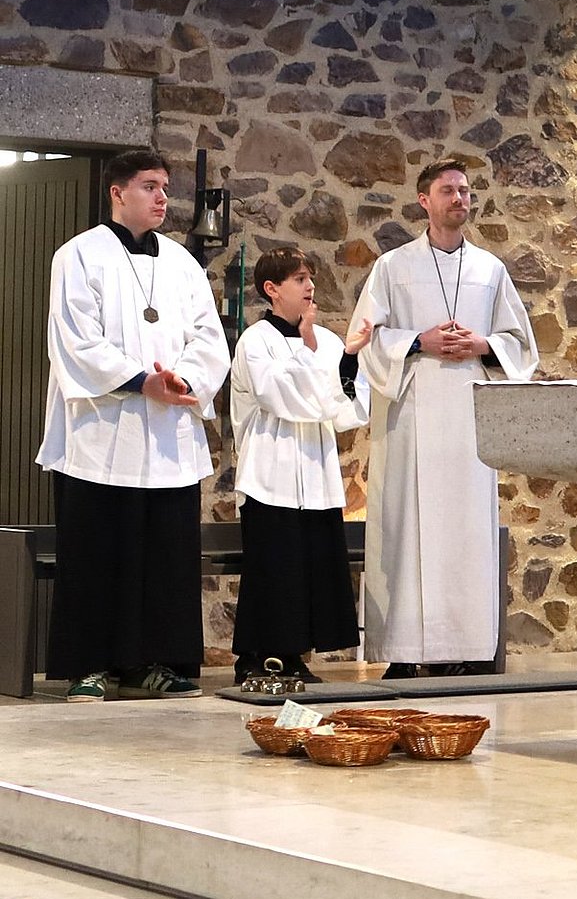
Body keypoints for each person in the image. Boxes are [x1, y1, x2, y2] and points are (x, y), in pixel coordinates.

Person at [37, 149, 230, 701]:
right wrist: (141, 380)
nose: (163, 197)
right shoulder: (78, 256)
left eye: (165, 187)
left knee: (165, 555)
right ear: (117, 193)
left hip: (167, 431)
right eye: (149, 186)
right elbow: (76, 341)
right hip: (101, 431)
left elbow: (207, 336)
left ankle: (158, 662)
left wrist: (184, 379)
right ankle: (90, 664)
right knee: (98, 551)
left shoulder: (182, 262)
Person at [350, 157, 538, 679]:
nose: (460, 199)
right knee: (406, 530)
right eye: (448, 191)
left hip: (466, 419)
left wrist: (482, 343)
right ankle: (407, 654)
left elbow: (522, 345)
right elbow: (365, 340)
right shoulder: (392, 268)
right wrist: (419, 340)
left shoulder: (490, 270)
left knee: (465, 533)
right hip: (410, 419)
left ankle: (467, 647)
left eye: (465, 191)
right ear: (424, 201)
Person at [229, 247, 373, 682]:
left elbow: (349, 409)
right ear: (272, 290)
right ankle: (260, 656)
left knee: (311, 566)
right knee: (275, 568)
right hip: (269, 473)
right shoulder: (256, 341)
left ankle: (295, 655)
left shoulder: (326, 340)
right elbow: (283, 398)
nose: (310, 286)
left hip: (316, 473)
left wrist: (344, 358)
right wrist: (315, 355)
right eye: (299, 279)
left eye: (310, 277)